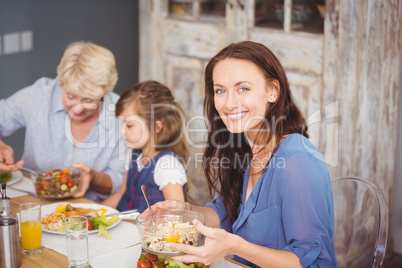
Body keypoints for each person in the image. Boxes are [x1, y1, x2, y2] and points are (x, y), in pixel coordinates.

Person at [143, 41, 338, 267]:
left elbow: (314, 263)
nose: (229, 103)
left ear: (273, 91)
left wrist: (236, 246)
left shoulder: (297, 161)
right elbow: (224, 212)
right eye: (220, 91)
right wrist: (185, 211)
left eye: (243, 88)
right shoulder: (244, 149)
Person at [0, 41, 126, 203]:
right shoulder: (40, 95)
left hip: (85, 212)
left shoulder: (120, 115)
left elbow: (120, 179)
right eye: (71, 96)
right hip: (28, 203)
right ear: (62, 83)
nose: (78, 108)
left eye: (88, 100)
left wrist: (94, 177)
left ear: (104, 91)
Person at [101, 80, 189, 212]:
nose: (121, 131)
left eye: (129, 125)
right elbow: (121, 195)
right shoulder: (134, 156)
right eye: (122, 124)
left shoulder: (166, 166)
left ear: (157, 126)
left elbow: (177, 215)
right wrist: (93, 213)